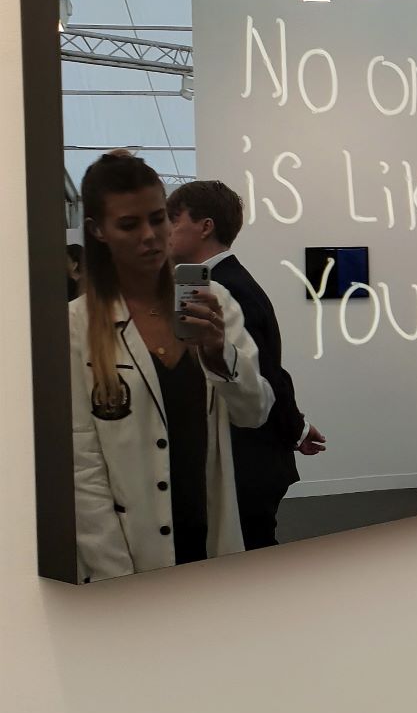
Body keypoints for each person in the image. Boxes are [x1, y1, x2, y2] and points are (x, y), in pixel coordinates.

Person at [70, 152, 273, 580]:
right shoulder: (76, 326)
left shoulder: (214, 301)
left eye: (158, 218)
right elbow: (82, 468)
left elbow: (254, 412)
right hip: (129, 550)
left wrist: (220, 355)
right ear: (98, 231)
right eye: (129, 224)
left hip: (210, 535)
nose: (150, 236)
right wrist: (115, 575)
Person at [167, 179, 325, 550]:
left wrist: (295, 429)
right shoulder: (222, 283)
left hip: (245, 460)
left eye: (174, 220)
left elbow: (264, 375)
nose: (166, 232)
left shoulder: (226, 290)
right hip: (243, 455)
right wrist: (297, 427)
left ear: (205, 226)